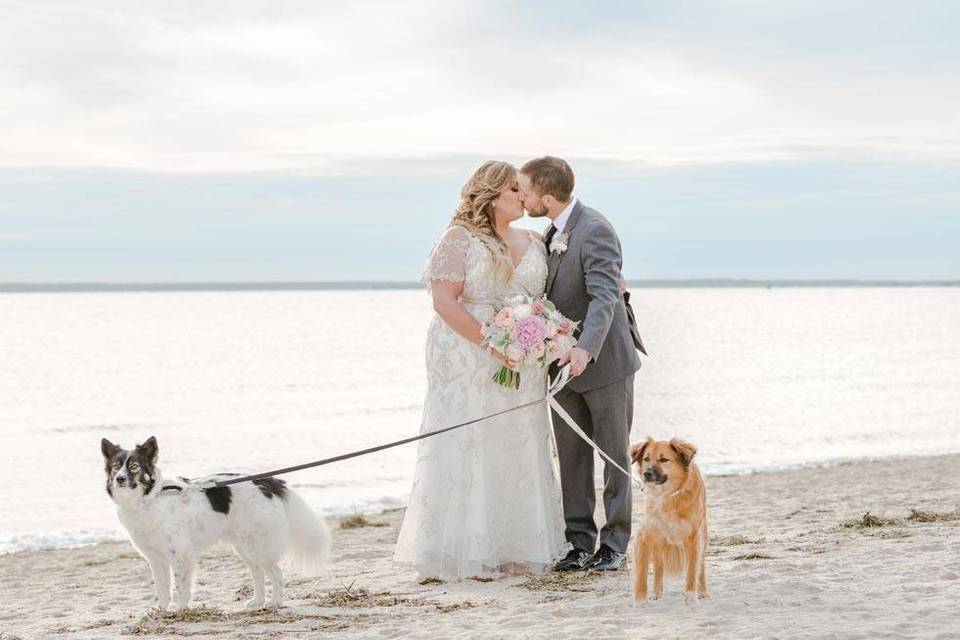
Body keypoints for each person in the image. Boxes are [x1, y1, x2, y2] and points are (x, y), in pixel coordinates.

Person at [394, 160, 567, 581]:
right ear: (490, 195)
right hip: (467, 356)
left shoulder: (534, 240)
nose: (521, 197)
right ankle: (469, 550)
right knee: (472, 440)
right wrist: (490, 341)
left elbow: (543, 298)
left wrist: (538, 335)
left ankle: (515, 547)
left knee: (517, 443)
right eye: (513, 190)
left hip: (522, 359)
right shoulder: (459, 239)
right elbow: (445, 301)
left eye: (522, 190)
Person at [518, 156, 642, 572]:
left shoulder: (595, 230)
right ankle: (578, 543)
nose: (523, 198)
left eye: (526, 191)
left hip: (604, 362)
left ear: (547, 196)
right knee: (571, 458)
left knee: (612, 455)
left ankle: (615, 544)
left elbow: (606, 297)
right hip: (559, 364)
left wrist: (584, 349)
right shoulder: (549, 232)